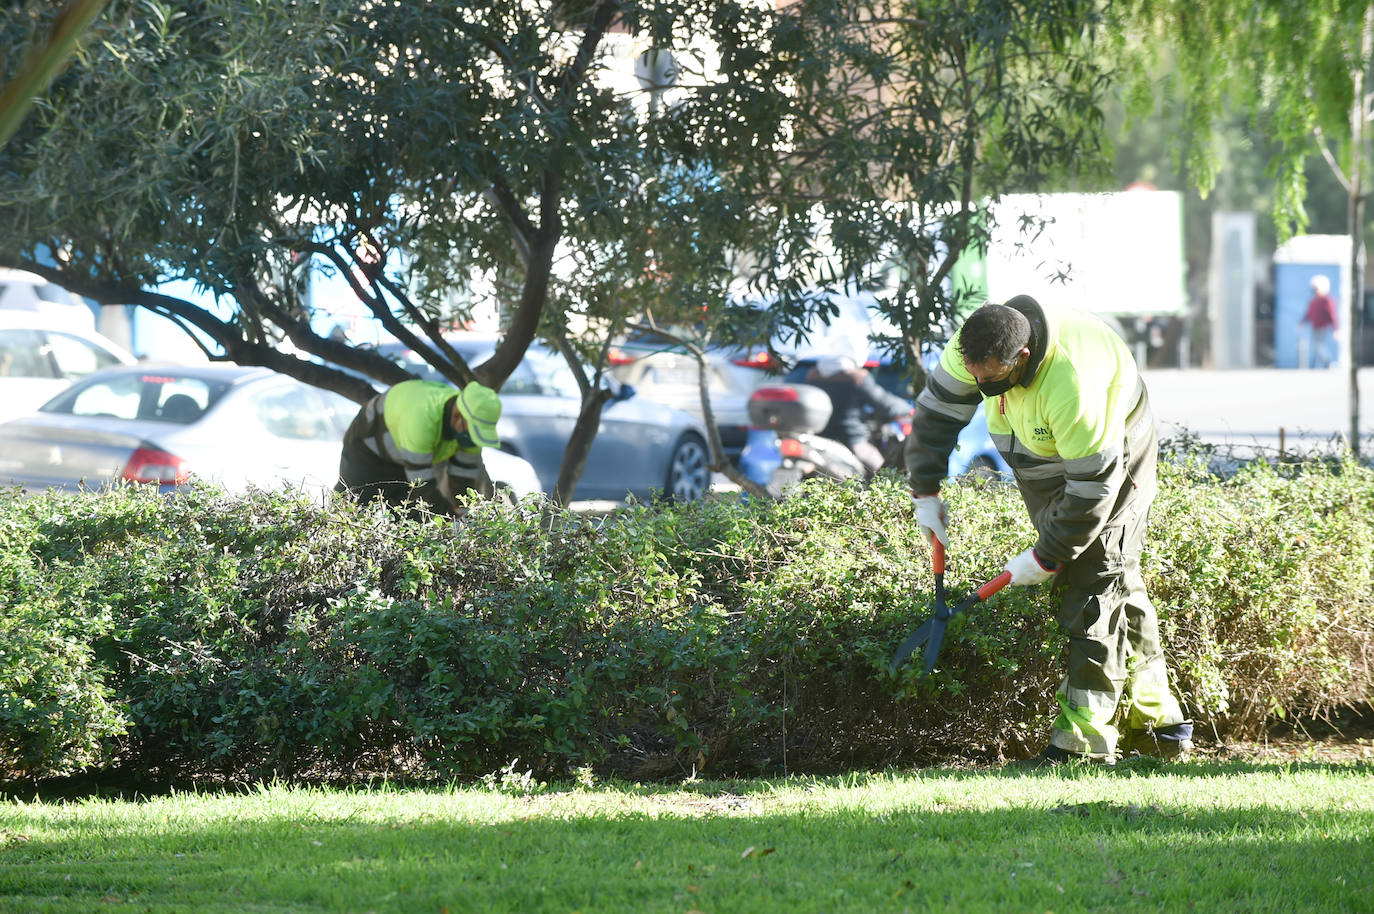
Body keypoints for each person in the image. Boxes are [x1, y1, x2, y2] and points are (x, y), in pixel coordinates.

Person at [905, 296, 1192, 765]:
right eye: (974, 375)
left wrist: (1047, 555)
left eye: (990, 379)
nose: (979, 387)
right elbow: (937, 415)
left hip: (1112, 455)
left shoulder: (1072, 383)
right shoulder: (974, 345)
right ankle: (1162, 724)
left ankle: (1083, 743)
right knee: (1116, 577)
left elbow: (1092, 489)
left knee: (1092, 580)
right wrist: (925, 492)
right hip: (1040, 458)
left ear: (1021, 357)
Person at [336, 378, 503, 517]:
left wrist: (463, 512)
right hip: (368, 448)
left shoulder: (468, 430)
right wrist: (449, 518)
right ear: (458, 416)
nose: (473, 439)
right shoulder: (422, 417)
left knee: (415, 522)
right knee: (349, 510)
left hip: (404, 461)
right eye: (472, 431)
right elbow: (421, 484)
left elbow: (464, 476)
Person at [806, 355, 913, 476]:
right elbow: (883, 401)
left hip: (819, 436)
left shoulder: (813, 375)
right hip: (850, 438)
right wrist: (910, 410)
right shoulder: (857, 376)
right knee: (883, 476)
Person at [1300, 274, 1338, 369]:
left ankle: (1328, 362)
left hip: (1323, 327)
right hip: (1315, 326)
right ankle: (1319, 365)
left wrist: (1335, 328)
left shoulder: (1327, 300)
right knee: (1317, 346)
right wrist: (1302, 323)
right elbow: (1309, 313)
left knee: (1319, 346)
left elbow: (1332, 314)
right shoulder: (1313, 300)